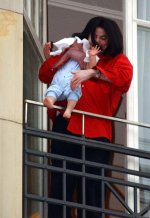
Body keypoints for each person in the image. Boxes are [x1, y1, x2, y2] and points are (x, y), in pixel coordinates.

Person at [39, 16, 133, 218]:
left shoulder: (118, 61)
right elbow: (45, 74)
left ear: (112, 40)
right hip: (66, 124)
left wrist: (92, 72)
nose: (98, 41)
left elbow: (124, 80)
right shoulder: (76, 51)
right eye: (94, 36)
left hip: (96, 133)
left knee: (92, 194)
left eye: (104, 38)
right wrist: (68, 56)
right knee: (60, 189)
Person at [43, 36, 100, 118]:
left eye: (73, 45)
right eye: (69, 46)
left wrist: (92, 56)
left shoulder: (84, 58)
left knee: (75, 92)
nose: (70, 47)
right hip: (59, 80)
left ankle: (68, 110)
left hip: (73, 83)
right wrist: (46, 49)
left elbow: (90, 69)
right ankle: (49, 100)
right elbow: (50, 59)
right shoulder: (64, 55)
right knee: (54, 89)